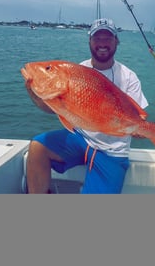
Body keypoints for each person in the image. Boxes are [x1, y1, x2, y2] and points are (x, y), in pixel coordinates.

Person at [25, 18, 148, 194]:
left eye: (108, 38)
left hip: (111, 150)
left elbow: (139, 117)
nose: (102, 43)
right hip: (80, 138)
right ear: (90, 41)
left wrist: (139, 127)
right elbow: (56, 109)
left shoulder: (129, 77)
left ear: (116, 41)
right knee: (37, 146)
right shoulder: (78, 70)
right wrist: (34, 93)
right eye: (97, 38)